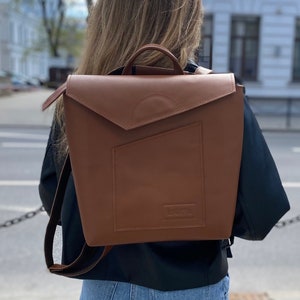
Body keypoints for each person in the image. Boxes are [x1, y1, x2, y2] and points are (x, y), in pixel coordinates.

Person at [39, 1, 290, 299]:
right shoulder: (218, 96)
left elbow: (53, 193)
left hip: (108, 282)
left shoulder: (82, 97)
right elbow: (261, 211)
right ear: (187, 21)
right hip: (197, 282)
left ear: (106, 22)